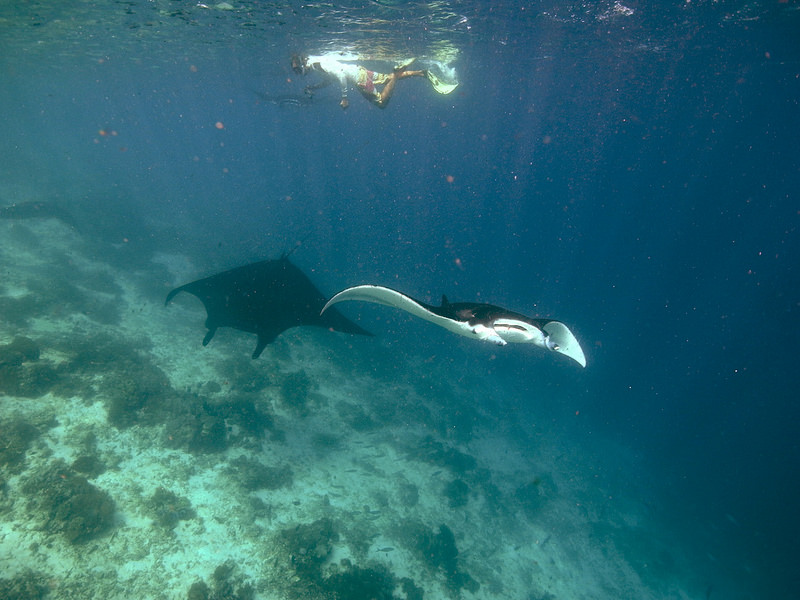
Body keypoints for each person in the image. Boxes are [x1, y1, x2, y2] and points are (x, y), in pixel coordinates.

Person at [291, 53, 452, 109]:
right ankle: (422, 73)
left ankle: (397, 73)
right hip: (359, 70)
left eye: (297, 69)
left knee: (381, 102)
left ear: (303, 62)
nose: (298, 73)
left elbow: (340, 75)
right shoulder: (317, 62)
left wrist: (345, 97)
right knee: (388, 79)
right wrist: (314, 87)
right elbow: (330, 80)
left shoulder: (318, 65)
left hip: (359, 79)